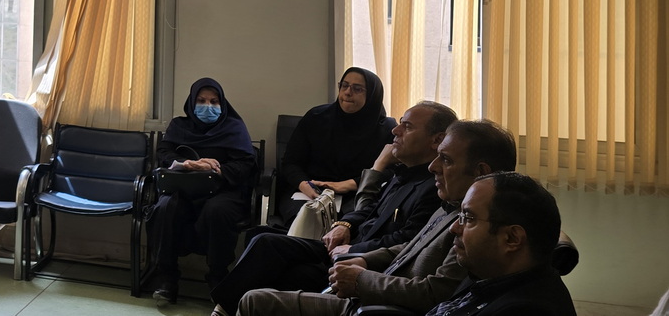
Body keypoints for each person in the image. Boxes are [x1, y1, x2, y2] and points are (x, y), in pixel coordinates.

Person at [238, 119, 518, 316]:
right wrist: (362, 254)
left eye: (445, 159)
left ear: (480, 172)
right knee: (264, 246)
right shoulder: (448, 203)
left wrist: (361, 276)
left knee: (259, 291)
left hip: (379, 302)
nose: (434, 167)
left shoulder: (473, 224)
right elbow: (408, 245)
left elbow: (435, 293)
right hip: (365, 274)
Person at [209, 101, 456, 314]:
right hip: (348, 247)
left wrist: (355, 250)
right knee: (262, 238)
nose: (395, 130)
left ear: (436, 140)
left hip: (362, 262)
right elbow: (370, 209)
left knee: (286, 269)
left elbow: (407, 241)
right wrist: (344, 223)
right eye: (400, 123)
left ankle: (225, 310)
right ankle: (224, 309)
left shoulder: (434, 188)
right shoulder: (402, 173)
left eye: (408, 127)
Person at [149, 77, 258, 305]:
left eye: (214, 101)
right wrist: (188, 164)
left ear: (222, 104)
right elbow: (164, 153)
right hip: (184, 189)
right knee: (164, 207)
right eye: (201, 100)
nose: (207, 106)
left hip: (223, 191)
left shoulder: (234, 128)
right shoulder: (179, 126)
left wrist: (215, 169)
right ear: (191, 102)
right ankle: (166, 279)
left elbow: (246, 165)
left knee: (218, 211)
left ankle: (218, 277)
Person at [419, 171, 574, 315]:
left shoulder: (524, 310)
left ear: (511, 239)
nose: (454, 228)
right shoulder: (486, 272)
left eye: (468, 218)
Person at [276, 67, 393, 225]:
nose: (347, 92)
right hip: (310, 191)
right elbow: (291, 162)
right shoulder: (316, 117)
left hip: (358, 194)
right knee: (305, 221)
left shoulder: (387, 129)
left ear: (372, 95)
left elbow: (391, 171)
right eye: (344, 85)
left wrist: (350, 184)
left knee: (352, 225)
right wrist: (304, 184)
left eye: (357, 89)